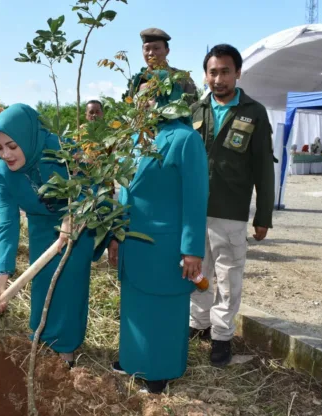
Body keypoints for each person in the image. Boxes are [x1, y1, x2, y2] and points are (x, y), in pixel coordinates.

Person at [107, 70, 209, 393]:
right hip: (132, 243)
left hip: (165, 247)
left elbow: (196, 197)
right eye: (139, 94)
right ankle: (132, 359)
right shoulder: (133, 139)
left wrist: (192, 249)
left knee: (163, 310)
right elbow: (123, 192)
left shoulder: (184, 139)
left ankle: (159, 372)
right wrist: (114, 236)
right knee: (135, 307)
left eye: (151, 93)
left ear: (168, 97)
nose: (144, 100)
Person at [0, 104, 99, 367]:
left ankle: (66, 350)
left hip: (79, 221)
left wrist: (73, 213)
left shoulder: (61, 150)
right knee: (42, 285)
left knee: (69, 284)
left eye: (12, 146)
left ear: (27, 137)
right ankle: (43, 340)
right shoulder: (3, 176)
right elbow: (7, 228)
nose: (6, 154)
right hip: (40, 226)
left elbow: (92, 182)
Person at [189, 44, 275, 367]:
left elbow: (264, 169)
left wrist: (263, 215)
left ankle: (222, 337)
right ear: (206, 75)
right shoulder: (196, 111)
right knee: (197, 273)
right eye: (213, 72)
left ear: (238, 73)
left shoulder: (254, 112)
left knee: (227, 278)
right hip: (195, 212)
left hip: (231, 213)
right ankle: (198, 324)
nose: (219, 78)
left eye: (225, 71)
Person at [125, 28, 197, 105]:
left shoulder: (182, 78)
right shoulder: (138, 80)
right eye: (147, 49)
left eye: (156, 48)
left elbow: (193, 109)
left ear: (167, 51)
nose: (151, 53)